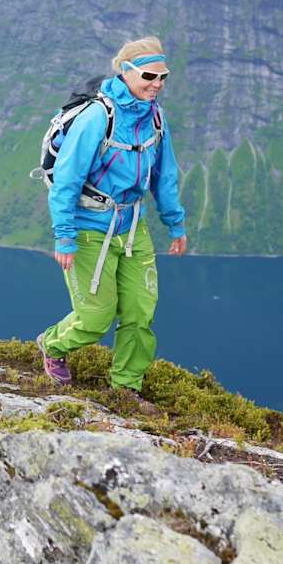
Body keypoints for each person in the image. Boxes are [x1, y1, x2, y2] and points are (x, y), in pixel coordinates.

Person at [36, 36, 188, 394]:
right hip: (90, 229)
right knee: (95, 317)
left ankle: (126, 388)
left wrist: (175, 224)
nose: (157, 85)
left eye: (164, 77)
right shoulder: (96, 117)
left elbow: (164, 176)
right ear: (126, 71)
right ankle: (53, 345)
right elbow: (67, 182)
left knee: (139, 313)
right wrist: (65, 237)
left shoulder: (156, 118)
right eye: (150, 76)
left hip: (133, 228)